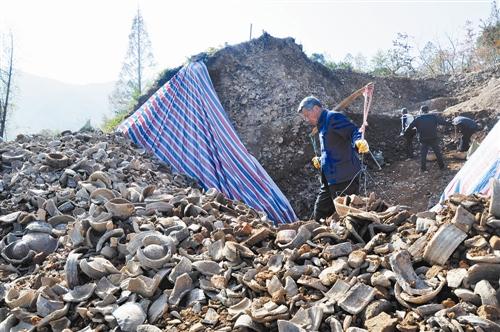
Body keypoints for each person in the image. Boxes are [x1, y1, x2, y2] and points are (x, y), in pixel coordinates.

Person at [297, 95, 369, 222]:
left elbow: (353, 131)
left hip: (344, 177)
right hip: (329, 179)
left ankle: (356, 240)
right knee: (320, 212)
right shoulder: (321, 125)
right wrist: (321, 160)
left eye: (307, 115)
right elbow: (332, 147)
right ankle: (325, 239)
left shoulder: (333, 117)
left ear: (315, 109)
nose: (306, 119)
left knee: (348, 214)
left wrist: (359, 141)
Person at [405, 105, 448, 172]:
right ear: (428, 110)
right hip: (433, 137)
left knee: (423, 154)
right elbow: (443, 122)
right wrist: (451, 122)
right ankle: (442, 167)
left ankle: (423, 168)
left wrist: (406, 131)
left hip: (423, 139)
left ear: (421, 111)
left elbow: (409, 127)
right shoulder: (433, 117)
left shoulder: (418, 118)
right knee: (437, 152)